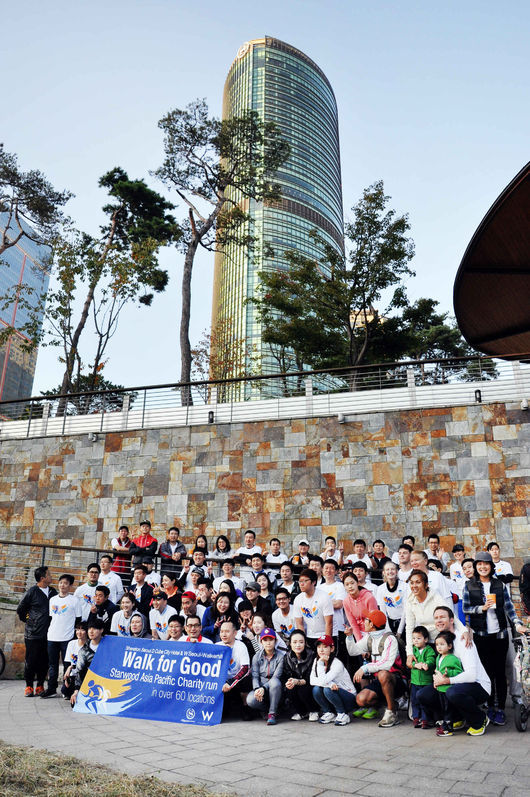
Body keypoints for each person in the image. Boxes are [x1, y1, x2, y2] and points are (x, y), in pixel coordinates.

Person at [462, 550, 526, 726]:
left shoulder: (499, 584)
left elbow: (509, 607)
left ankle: (501, 709)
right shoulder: (469, 585)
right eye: (479, 564)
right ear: (476, 566)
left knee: (500, 673)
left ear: (491, 566)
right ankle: (490, 705)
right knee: (487, 672)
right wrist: (481, 608)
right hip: (481, 636)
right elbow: (466, 608)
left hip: (500, 635)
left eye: (486, 564)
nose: (483, 567)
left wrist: (517, 623)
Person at [418, 606, 492, 737]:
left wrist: (446, 680)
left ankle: (480, 719)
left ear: (452, 620)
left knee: (452, 692)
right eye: (436, 618)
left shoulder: (463, 640)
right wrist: (438, 679)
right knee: (423, 695)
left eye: (442, 617)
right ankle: (457, 717)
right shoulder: (442, 639)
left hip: (479, 685)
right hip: (456, 683)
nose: (438, 620)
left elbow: (471, 675)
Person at [346, 609, 403, 727]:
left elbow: (387, 664)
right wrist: (350, 637)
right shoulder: (370, 637)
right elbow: (353, 651)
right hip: (380, 681)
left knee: (383, 673)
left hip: (397, 680)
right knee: (361, 699)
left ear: (372, 624)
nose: (363, 622)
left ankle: (391, 712)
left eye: (366, 620)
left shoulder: (390, 639)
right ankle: (389, 703)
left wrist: (365, 668)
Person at [17, 566, 57, 698]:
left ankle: (40, 685)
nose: (51, 576)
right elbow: (21, 609)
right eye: (49, 574)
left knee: (44, 661)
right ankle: (29, 686)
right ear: (42, 578)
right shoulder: (32, 592)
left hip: (49, 633)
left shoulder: (53, 592)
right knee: (31, 661)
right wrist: (29, 620)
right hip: (33, 634)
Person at [43, 574, 80, 698]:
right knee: (52, 665)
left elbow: (78, 619)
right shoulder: (53, 600)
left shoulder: (74, 600)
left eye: (65, 583)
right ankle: (51, 688)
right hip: (52, 637)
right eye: (61, 582)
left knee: (67, 665)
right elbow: (50, 618)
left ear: (70, 586)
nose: (62, 585)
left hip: (67, 638)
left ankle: (67, 690)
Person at [404, 570, 451, 662]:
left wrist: (464, 630)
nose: (414, 586)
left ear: (426, 585)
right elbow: (409, 627)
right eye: (412, 583)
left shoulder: (435, 596)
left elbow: (450, 616)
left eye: (418, 582)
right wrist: (409, 653)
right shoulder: (410, 601)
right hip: (424, 643)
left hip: (441, 641)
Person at [310, 634, 357, 725]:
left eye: (325, 647)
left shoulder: (337, 663)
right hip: (334, 695)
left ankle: (342, 714)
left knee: (327, 689)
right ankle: (328, 712)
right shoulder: (317, 661)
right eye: (319, 647)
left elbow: (324, 681)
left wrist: (321, 664)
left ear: (332, 649)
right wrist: (330, 684)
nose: (321, 650)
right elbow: (312, 680)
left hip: (348, 697)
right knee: (316, 689)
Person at [246, 627, 285, 724]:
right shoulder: (256, 657)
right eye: (265, 640)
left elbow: (276, 677)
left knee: (275, 682)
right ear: (261, 642)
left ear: (275, 641)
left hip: (275, 690)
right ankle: (265, 710)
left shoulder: (281, 657)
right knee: (250, 700)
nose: (268, 643)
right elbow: (255, 676)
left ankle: (272, 713)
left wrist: (264, 688)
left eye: (271, 640)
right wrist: (257, 689)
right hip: (261, 687)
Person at [281, 629, 318, 721]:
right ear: (290, 643)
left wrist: (298, 681)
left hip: (310, 683)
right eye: (294, 642)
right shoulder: (287, 657)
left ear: (305, 643)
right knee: (290, 689)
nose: (298, 645)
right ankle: (302, 712)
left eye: (301, 642)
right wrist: (289, 682)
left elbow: (311, 677)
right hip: (296, 682)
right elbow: (286, 674)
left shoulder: (312, 655)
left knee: (303, 690)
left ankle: (313, 710)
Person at [219, 619, 252, 720]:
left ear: (235, 633)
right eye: (222, 631)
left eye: (227, 631)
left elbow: (245, 669)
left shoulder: (241, 646)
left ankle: (246, 707)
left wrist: (231, 682)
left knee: (247, 679)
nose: (224, 634)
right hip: (222, 682)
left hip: (237, 681)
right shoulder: (216, 645)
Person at [433, 630, 464, 736]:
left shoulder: (453, 659)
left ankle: (448, 728)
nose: (439, 647)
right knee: (443, 708)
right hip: (440, 689)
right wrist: (435, 681)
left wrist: (449, 673)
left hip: (448, 689)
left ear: (450, 646)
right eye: (437, 644)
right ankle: (445, 723)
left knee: (449, 709)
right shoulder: (438, 657)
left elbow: (459, 672)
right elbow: (437, 671)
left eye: (442, 644)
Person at [293, 568, 333, 646]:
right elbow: (299, 623)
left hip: (324, 634)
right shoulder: (298, 599)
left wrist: (326, 643)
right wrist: (303, 641)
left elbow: (329, 623)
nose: (301, 584)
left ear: (314, 582)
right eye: (300, 581)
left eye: (305, 581)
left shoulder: (324, 597)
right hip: (309, 635)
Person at [70, 618, 105, 707]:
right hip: (90, 682)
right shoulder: (84, 650)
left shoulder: (108, 645)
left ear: (101, 630)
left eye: (94, 628)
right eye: (89, 629)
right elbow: (79, 671)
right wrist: (76, 691)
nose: (91, 631)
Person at [409, 625, 436, 728]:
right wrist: (416, 665)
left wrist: (426, 664)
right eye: (414, 638)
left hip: (426, 681)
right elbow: (409, 663)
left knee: (424, 701)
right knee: (415, 701)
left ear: (426, 639)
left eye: (418, 638)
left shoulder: (429, 650)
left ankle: (425, 720)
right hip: (415, 681)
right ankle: (416, 718)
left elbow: (431, 659)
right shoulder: (413, 650)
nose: (415, 641)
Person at [318, 558, 346, 652]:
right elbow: (316, 606)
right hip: (322, 627)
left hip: (337, 627)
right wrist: (331, 602)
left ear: (336, 571)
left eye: (331, 568)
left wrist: (323, 604)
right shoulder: (319, 588)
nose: (328, 570)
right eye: (326, 568)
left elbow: (339, 604)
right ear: (322, 570)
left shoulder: (340, 586)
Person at [342, 572, 378, 641]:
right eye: (347, 584)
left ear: (357, 583)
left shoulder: (369, 597)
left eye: (352, 583)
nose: (350, 586)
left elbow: (374, 621)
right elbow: (353, 623)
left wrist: (369, 640)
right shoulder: (346, 602)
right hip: (358, 634)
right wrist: (359, 641)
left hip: (373, 633)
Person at [376, 561, 406, 634]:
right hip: (390, 622)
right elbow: (383, 611)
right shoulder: (380, 589)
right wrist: (388, 630)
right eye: (387, 569)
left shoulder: (405, 586)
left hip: (404, 621)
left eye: (392, 569)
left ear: (397, 571)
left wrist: (399, 631)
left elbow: (406, 610)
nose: (390, 572)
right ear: (384, 572)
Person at [61, 622, 88, 700]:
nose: (79, 632)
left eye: (82, 630)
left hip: (85, 675)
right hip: (73, 675)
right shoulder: (71, 643)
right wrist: (67, 678)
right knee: (65, 691)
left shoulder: (89, 645)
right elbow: (67, 663)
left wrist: (71, 667)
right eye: (77, 629)